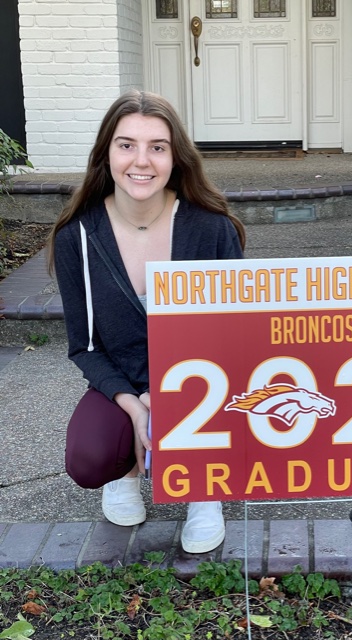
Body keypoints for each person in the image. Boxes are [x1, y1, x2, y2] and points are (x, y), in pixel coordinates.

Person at [48, 90, 245, 554]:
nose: (142, 160)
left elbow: (235, 333)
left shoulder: (210, 228)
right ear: (106, 154)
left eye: (157, 146)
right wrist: (135, 404)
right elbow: (84, 347)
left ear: (175, 158)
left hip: (203, 381)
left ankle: (204, 490)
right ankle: (128, 471)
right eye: (126, 144)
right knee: (89, 457)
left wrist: (176, 395)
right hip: (124, 381)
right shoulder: (75, 237)